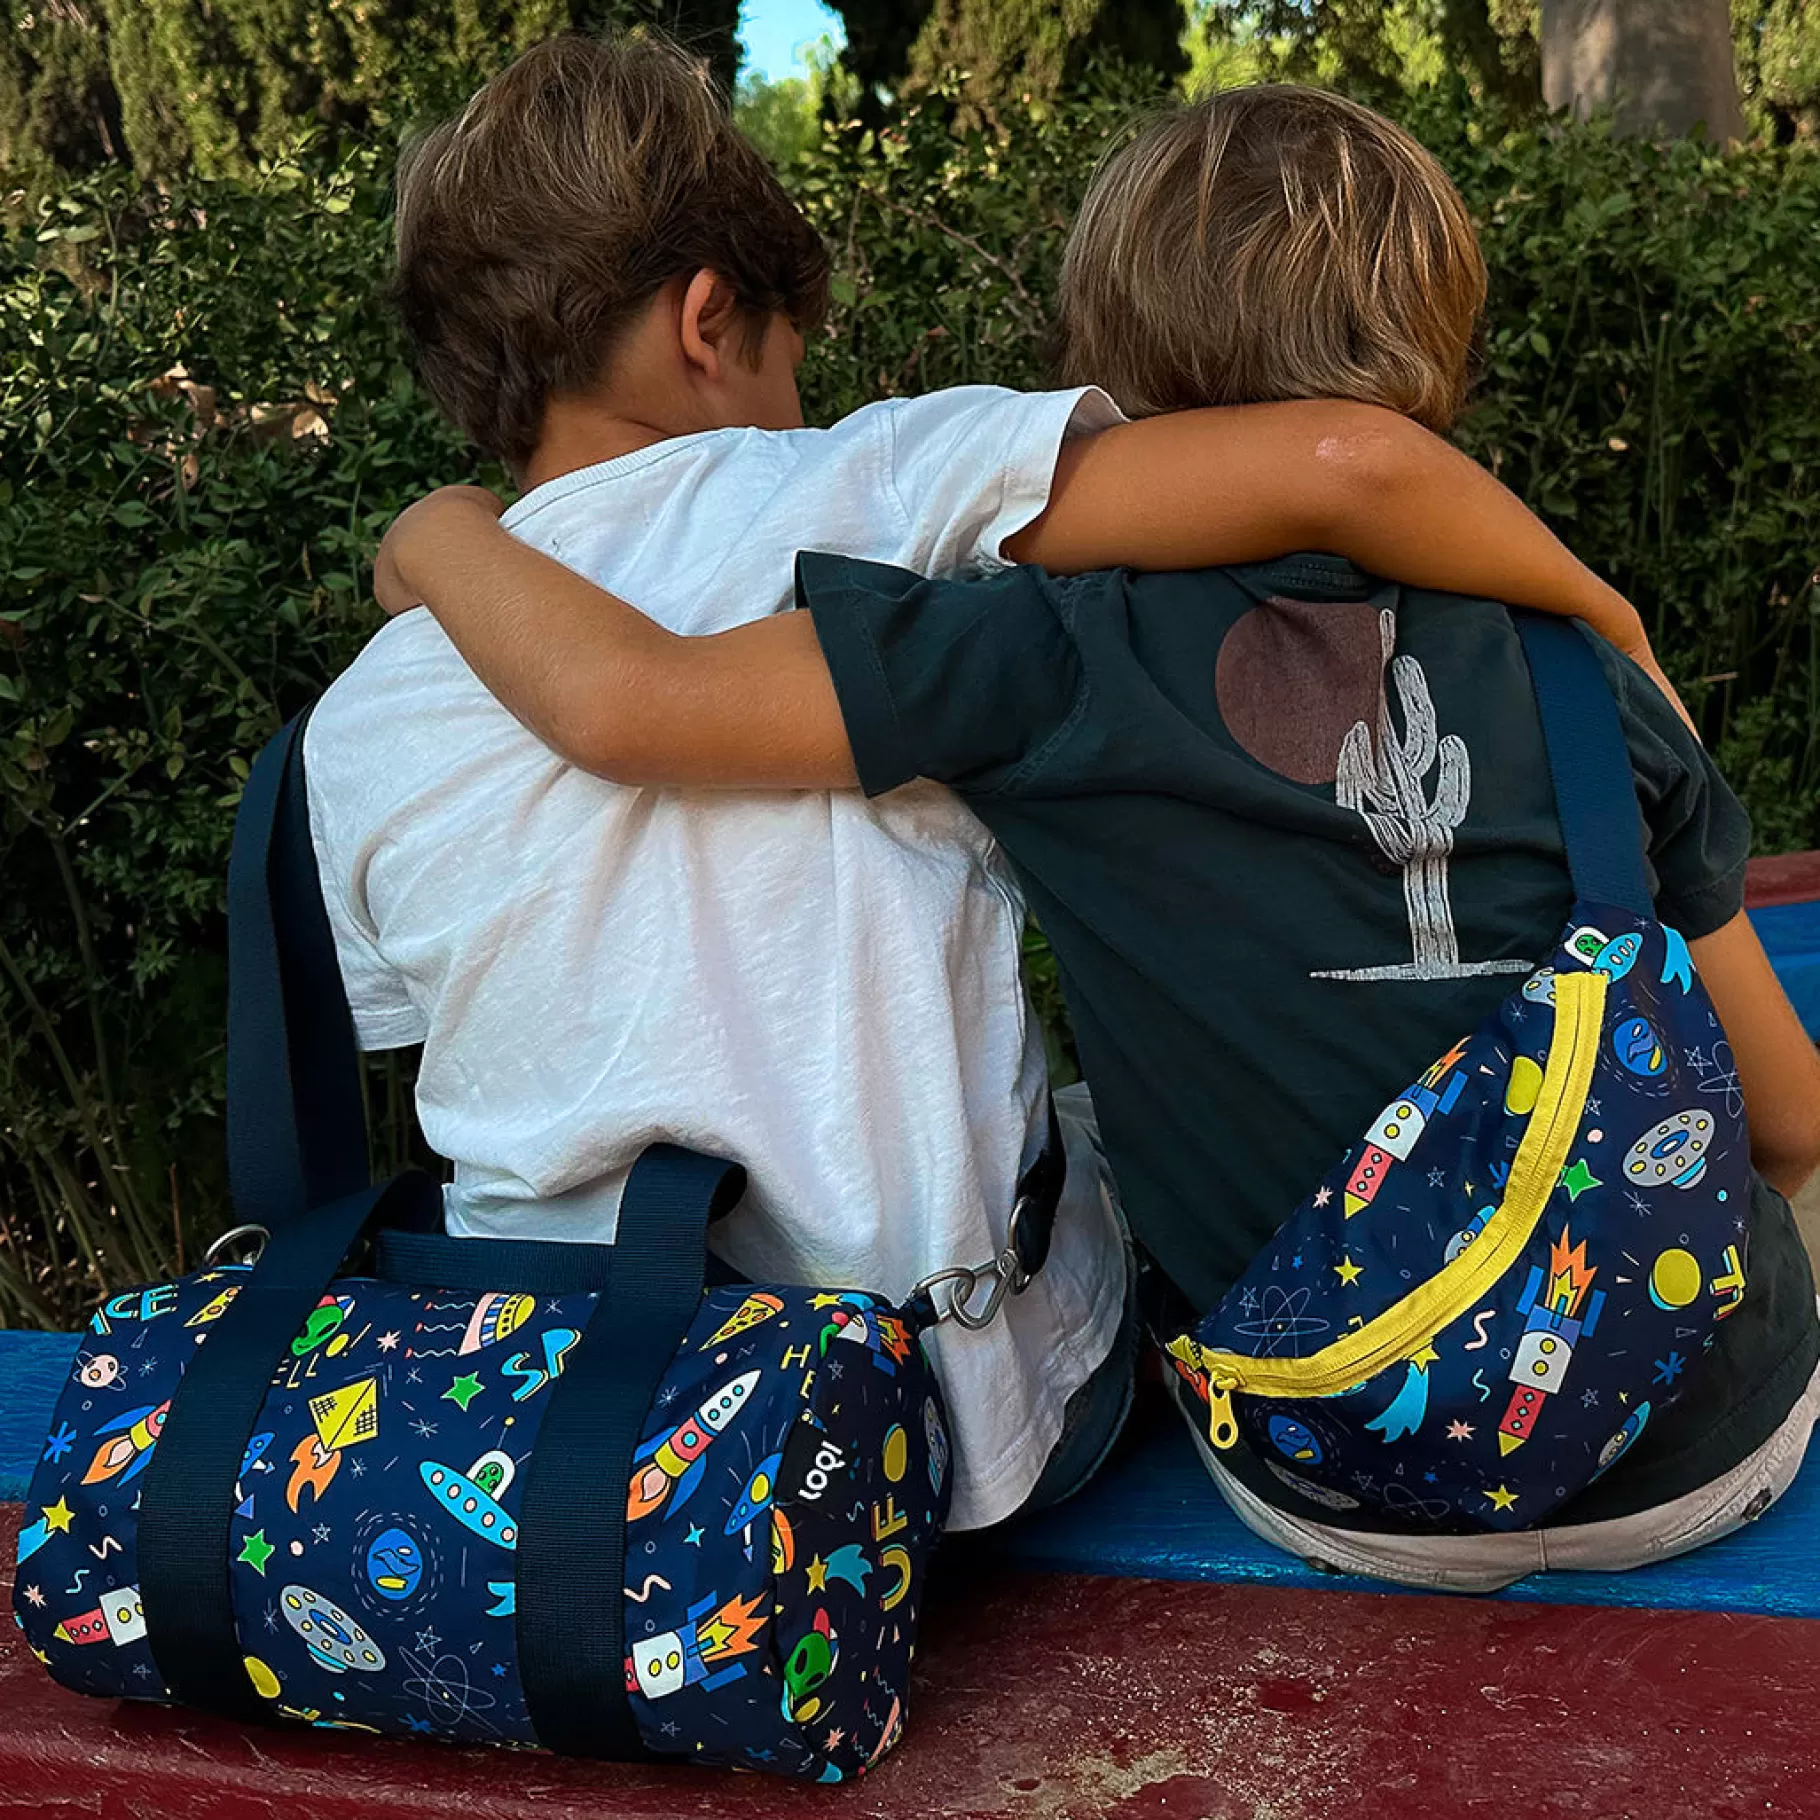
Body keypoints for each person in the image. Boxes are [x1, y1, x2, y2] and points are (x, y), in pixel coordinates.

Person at [331, 40, 1667, 1536]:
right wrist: (1603, 625)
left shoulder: (360, 714)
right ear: (709, 321)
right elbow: (1353, 461)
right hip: (954, 1437)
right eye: (792, 357)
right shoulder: (888, 479)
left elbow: (448, 1041)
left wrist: (439, 536)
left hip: (568, 1455)